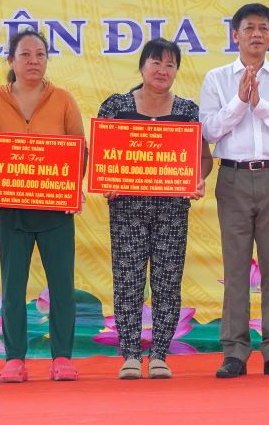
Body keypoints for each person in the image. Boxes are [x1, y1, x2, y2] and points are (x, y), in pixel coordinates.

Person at [199, 3, 269, 378]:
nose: (256, 34)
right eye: (249, 28)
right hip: (233, 178)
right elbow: (209, 130)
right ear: (235, 35)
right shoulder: (216, 79)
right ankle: (234, 351)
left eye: (264, 28)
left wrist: (260, 105)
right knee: (236, 268)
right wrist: (239, 102)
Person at [0, 29, 86, 383]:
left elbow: (79, 149)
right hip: (11, 212)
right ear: (11, 60)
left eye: (40, 54)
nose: (33, 61)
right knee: (13, 287)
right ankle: (14, 359)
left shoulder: (64, 100)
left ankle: (62, 357)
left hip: (56, 210)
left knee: (62, 287)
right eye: (25, 54)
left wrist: (73, 187)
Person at [98, 38, 213, 379]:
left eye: (170, 64)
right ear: (142, 66)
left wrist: (198, 179)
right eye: (156, 62)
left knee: (167, 281)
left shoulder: (188, 111)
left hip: (172, 209)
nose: (163, 70)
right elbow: (102, 157)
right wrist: (107, 181)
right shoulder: (116, 107)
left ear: (176, 71)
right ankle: (131, 355)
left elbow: (203, 159)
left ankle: (160, 353)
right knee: (128, 280)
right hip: (127, 209)